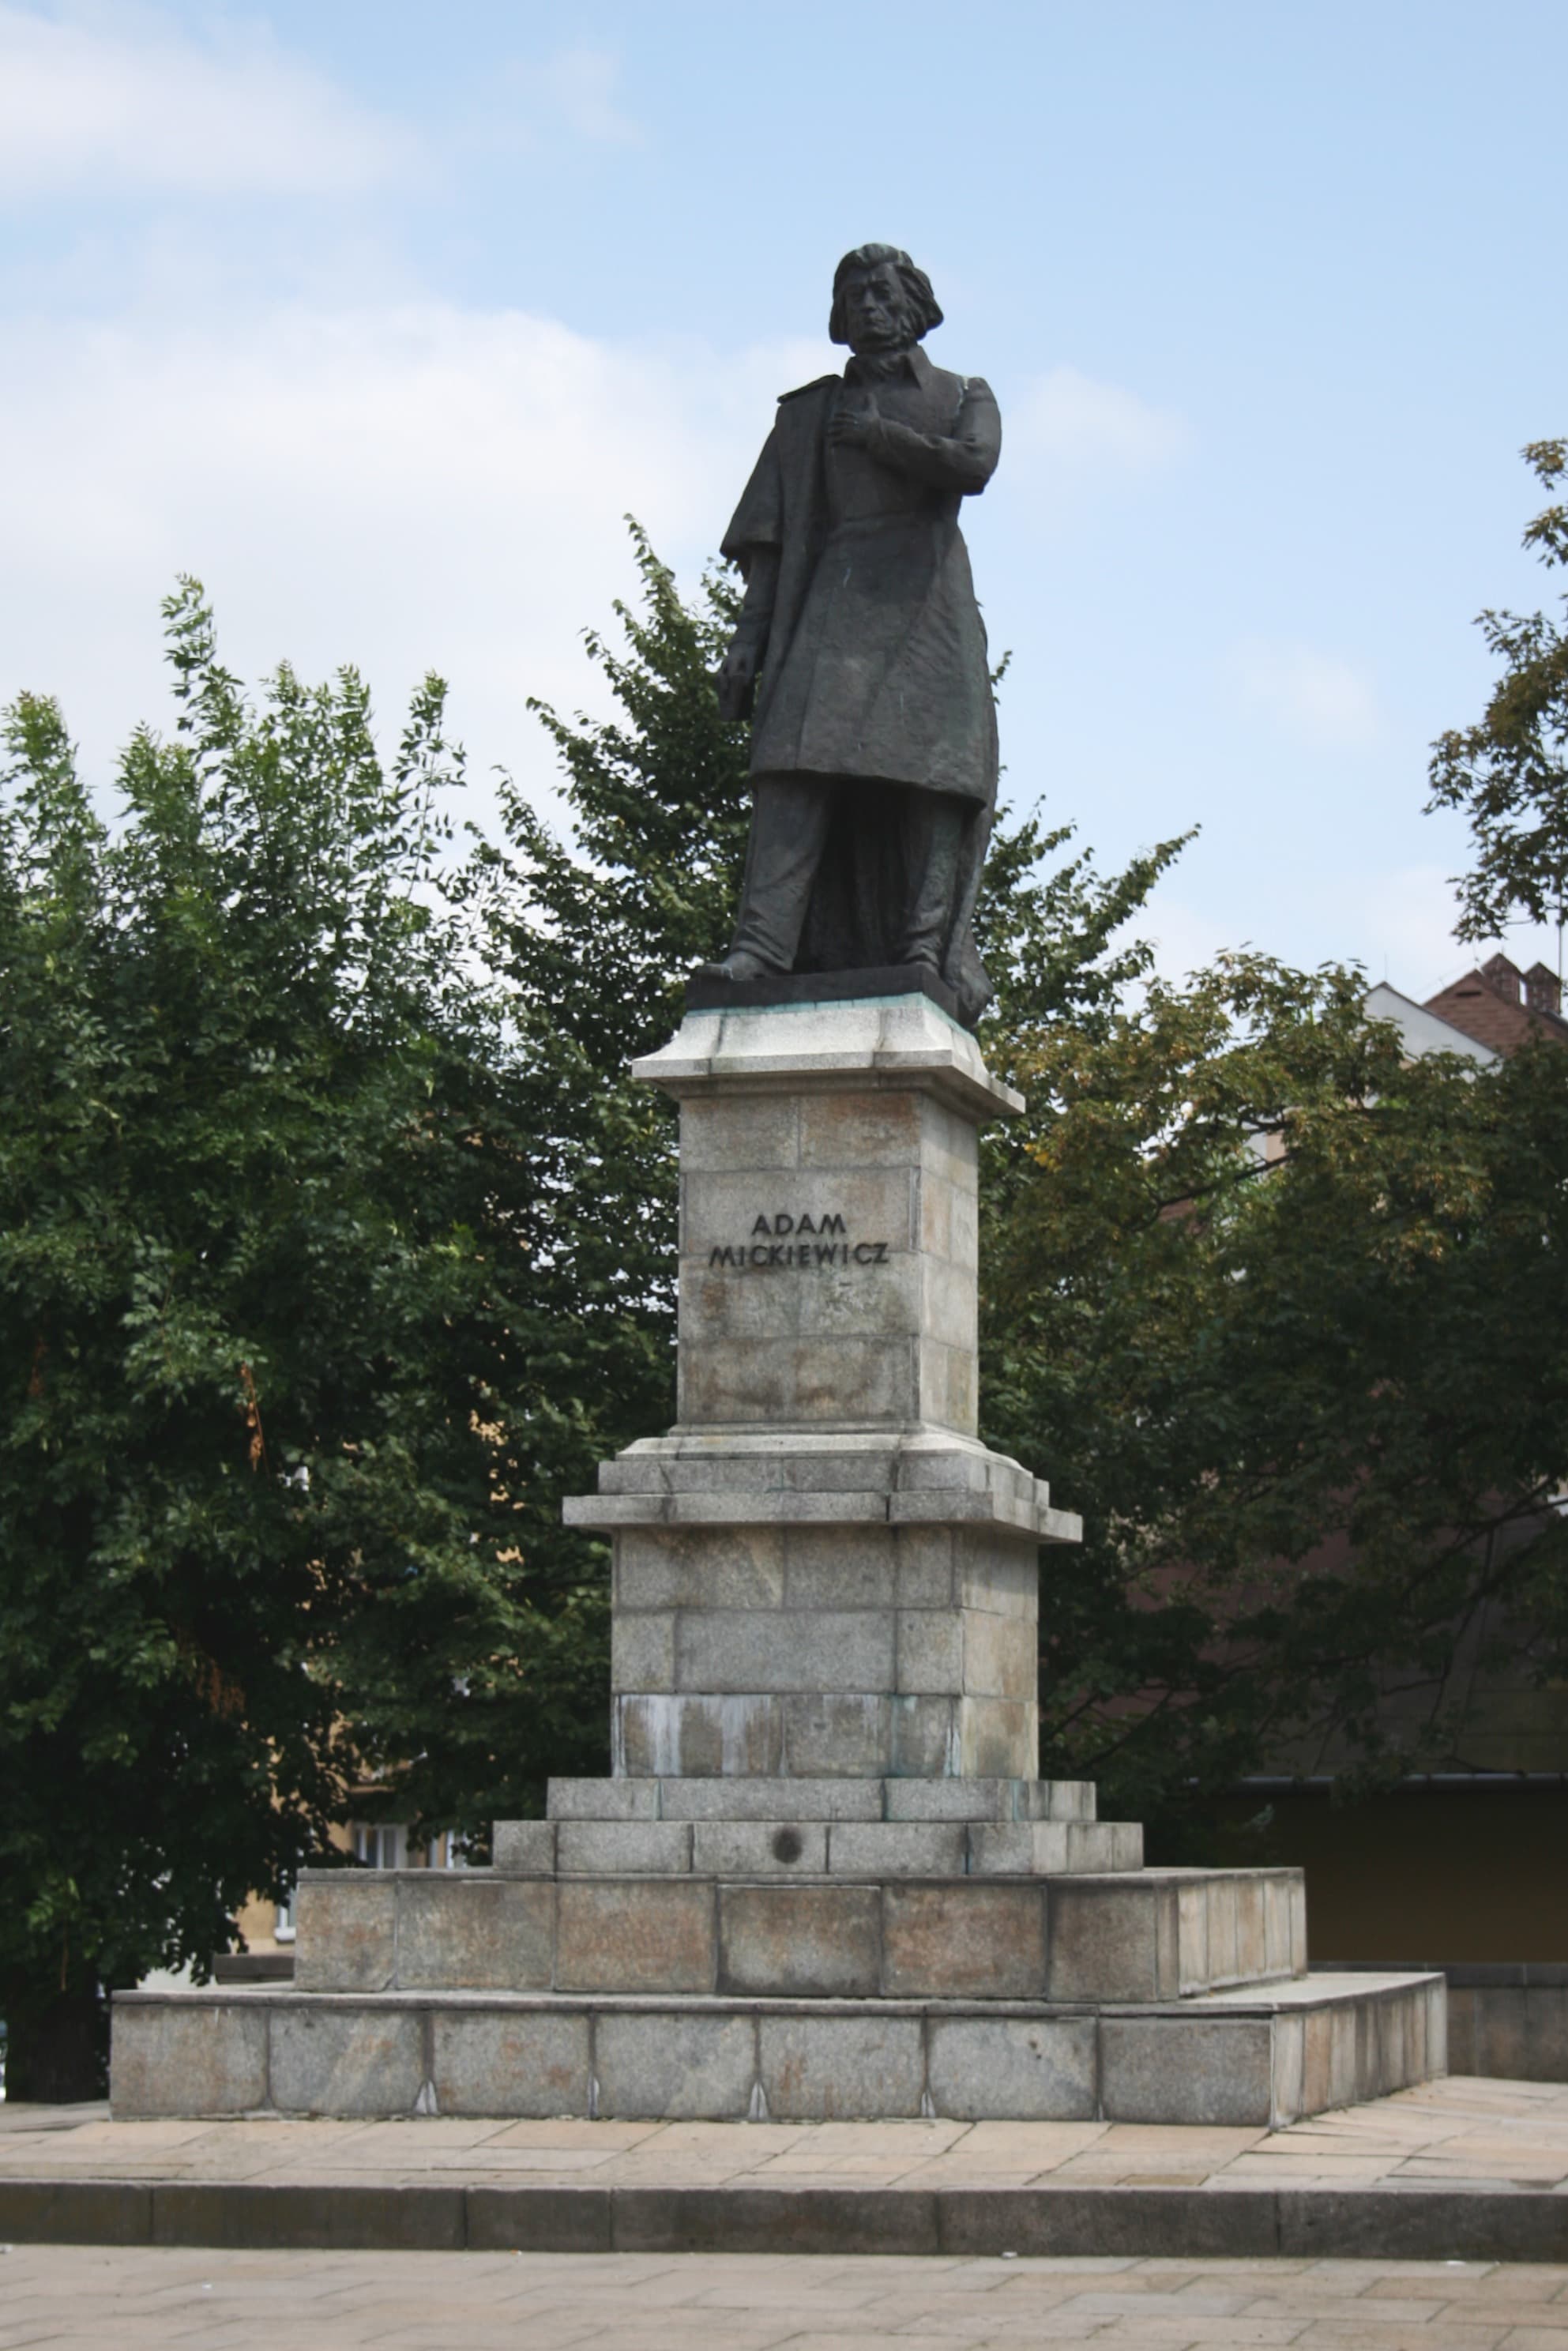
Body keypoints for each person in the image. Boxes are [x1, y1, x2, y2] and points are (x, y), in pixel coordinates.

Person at [700, 243, 1002, 1026]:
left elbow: (973, 465)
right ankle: (761, 947)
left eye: (881, 292)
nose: (867, 305)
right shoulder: (806, 414)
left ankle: (920, 950)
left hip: (926, 607)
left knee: (932, 778)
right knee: (791, 769)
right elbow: (767, 538)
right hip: (831, 602)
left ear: (914, 305)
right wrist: (746, 639)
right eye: (853, 294)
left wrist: (878, 438)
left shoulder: (962, 393)